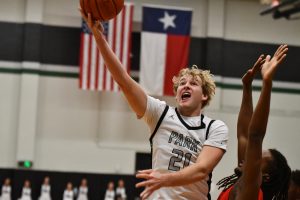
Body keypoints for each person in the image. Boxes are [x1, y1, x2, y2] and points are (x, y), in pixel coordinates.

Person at [79, 7, 228, 200]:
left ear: (205, 96)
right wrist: (99, 37)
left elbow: (202, 169)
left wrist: (165, 179)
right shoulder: (161, 114)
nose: (185, 86)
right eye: (182, 84)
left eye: (193, 84)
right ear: (176, 95)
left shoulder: (215, 128)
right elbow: (124, 81)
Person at [217, 45, 291, 200]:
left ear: (265, 177)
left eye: (256, 157)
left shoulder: (252, 192)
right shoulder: (241, 184)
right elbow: (244, 135)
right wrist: (247, 87)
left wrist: (267, 83)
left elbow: (255, 135)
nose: (249, 156)